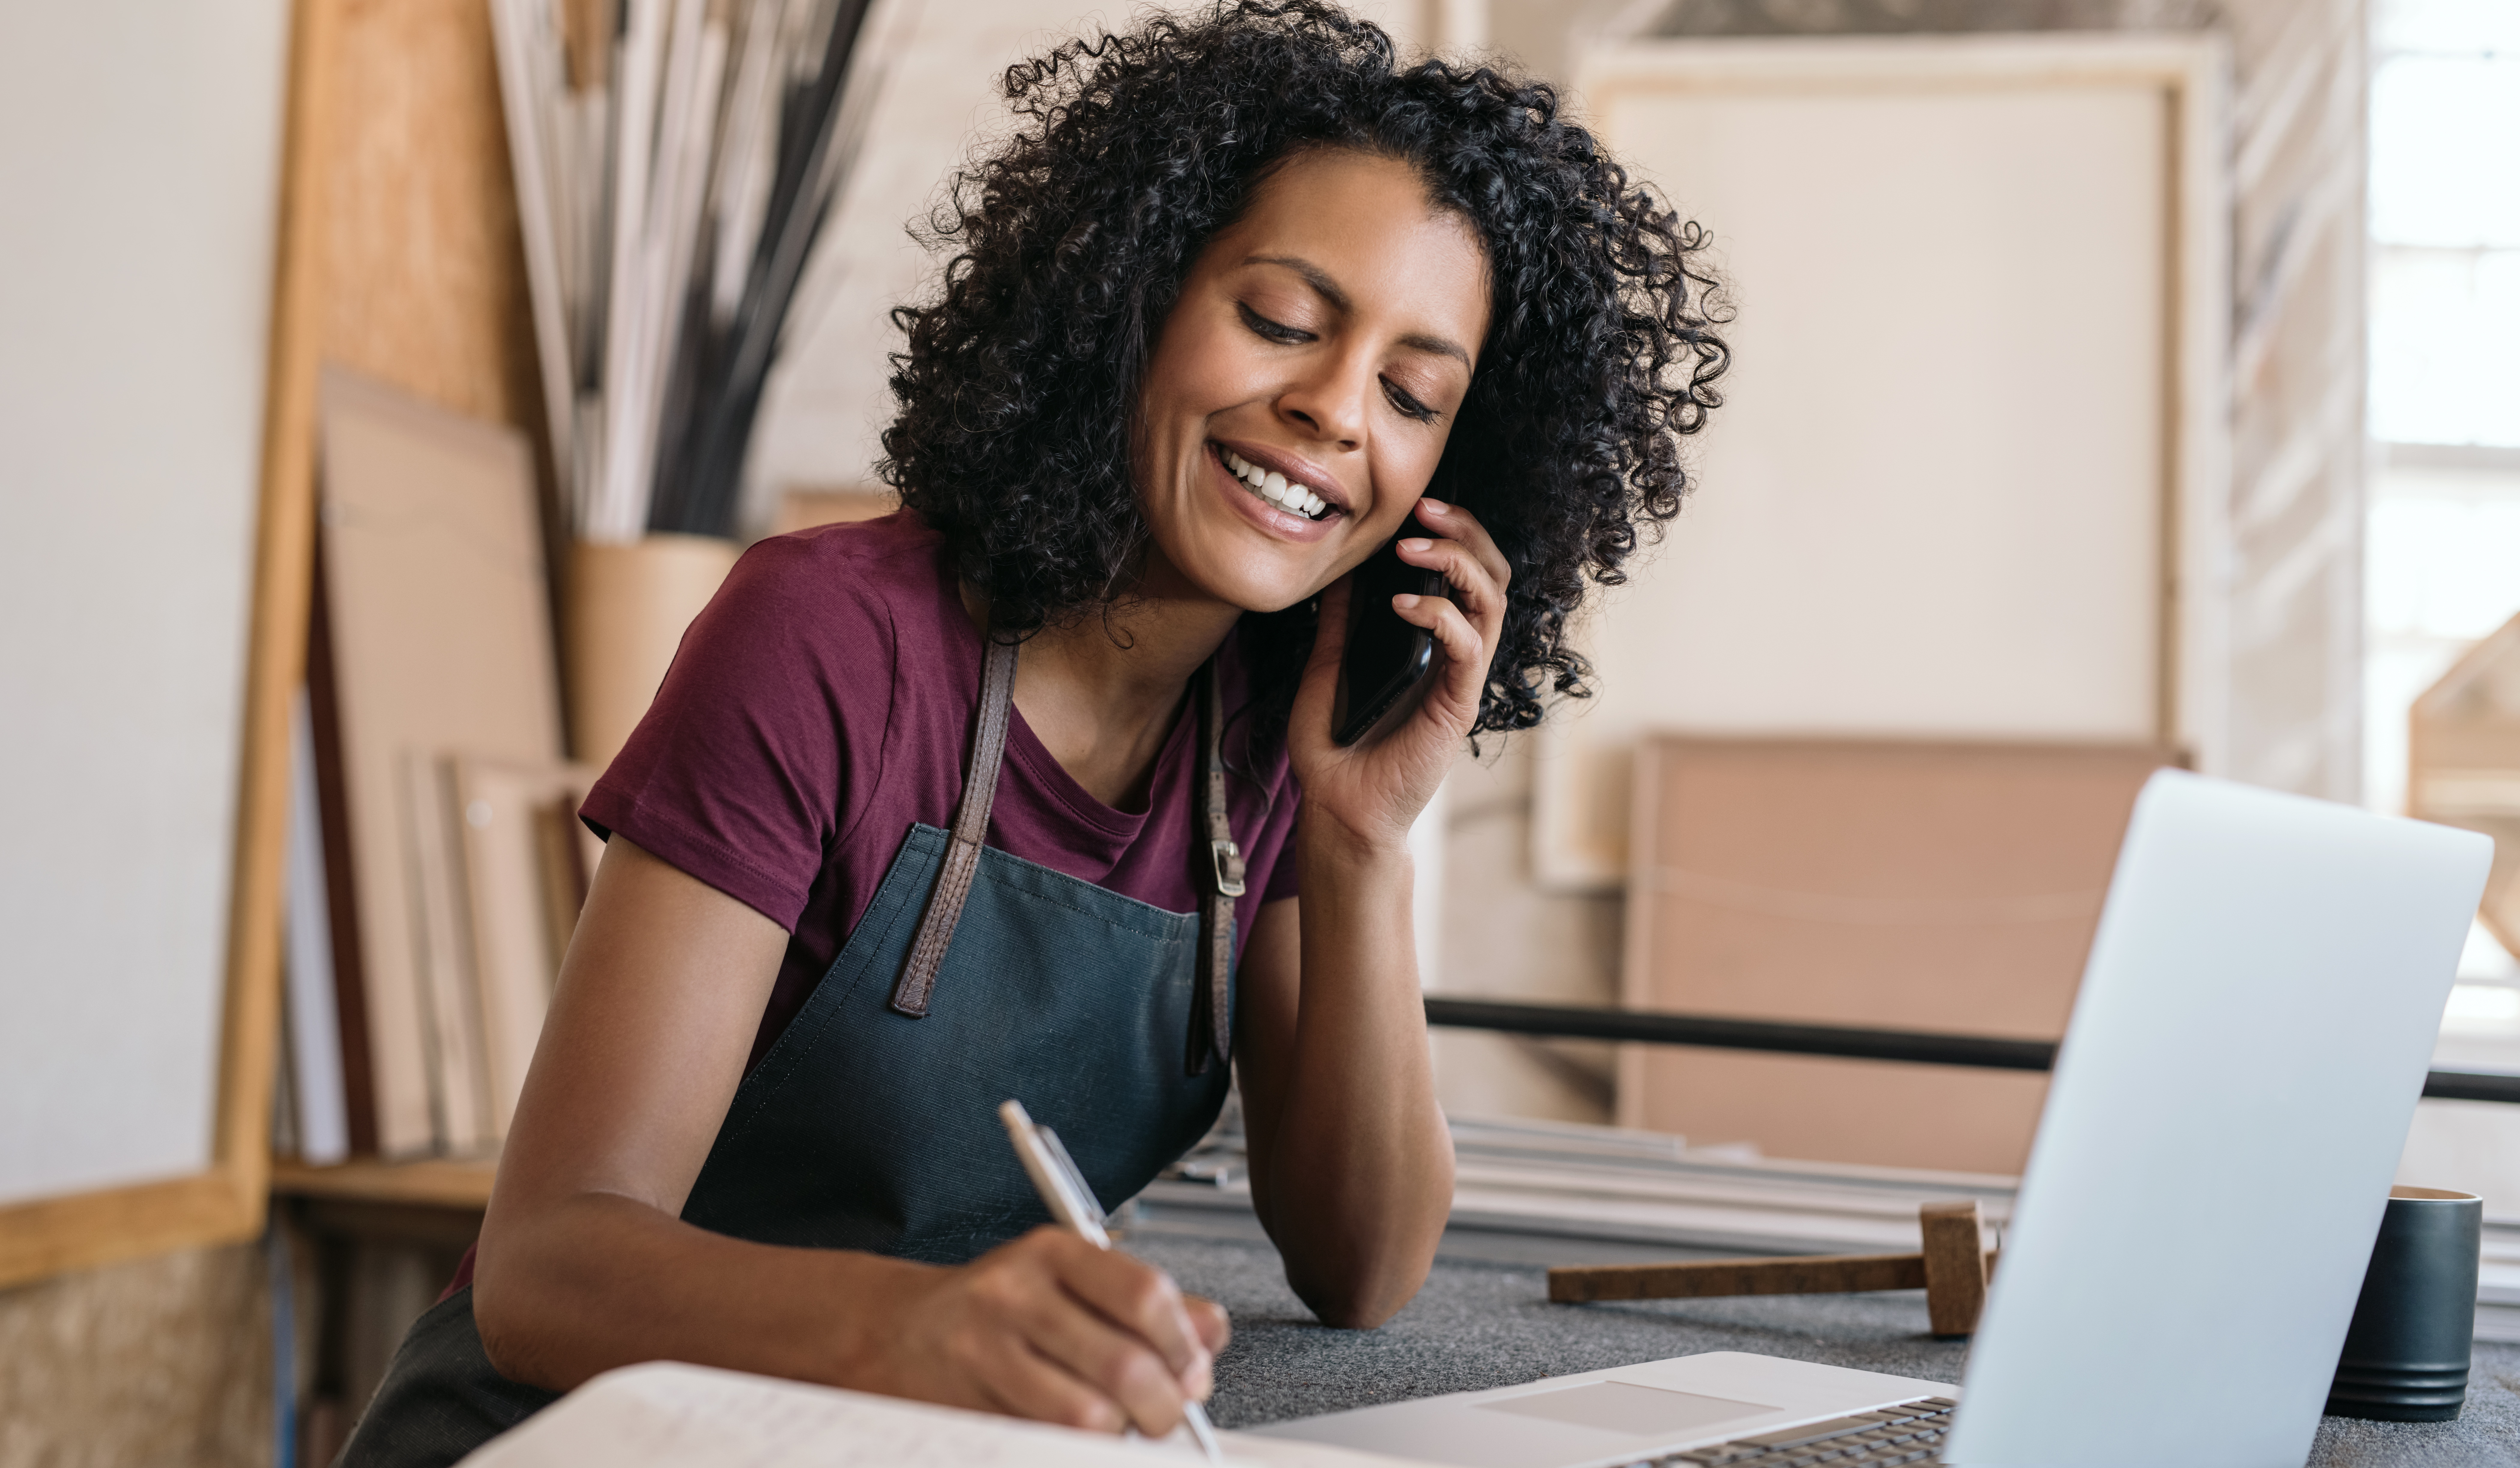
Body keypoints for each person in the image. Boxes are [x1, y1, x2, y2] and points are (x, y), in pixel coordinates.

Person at [337, 3, 1725, 1462]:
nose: (1332, 411)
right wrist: (908, 1329)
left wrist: (1363, 838)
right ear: (1132, 297)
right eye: (1280, 322)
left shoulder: (1264, 733)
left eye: (1411, 391)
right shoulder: (827, 636)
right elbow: (548, 1264)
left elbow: (1361, 1261)